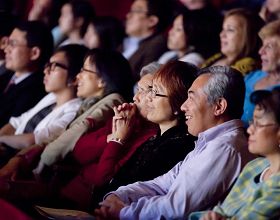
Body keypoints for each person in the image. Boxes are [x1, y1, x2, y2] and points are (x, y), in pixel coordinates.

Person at [95, 66, 253, 220]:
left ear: (219, 106)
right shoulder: (209, 141)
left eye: (191, 98)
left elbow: (176, 208)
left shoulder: (224, 148)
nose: (184, 106)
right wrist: (118, 195)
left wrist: (123, 212)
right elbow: (161, 183)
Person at [0, 49, 134, 182]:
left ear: (102, 81)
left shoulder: (113, 100)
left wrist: (43, 154)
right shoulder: (88, 104)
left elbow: (79, 129)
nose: (78, 76)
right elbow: (56, 136)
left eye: (84, 71)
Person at [190, 87, 280, 220]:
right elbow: (222, 209)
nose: (250, 130)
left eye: (259, 124)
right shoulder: (254, 166)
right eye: (252, 123)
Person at [0, 45, 87, 164]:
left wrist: (2, 139)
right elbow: (17, 122)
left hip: (22, 165)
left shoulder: (75, 111)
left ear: (74, 78)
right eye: (47, 65)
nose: (46, 71)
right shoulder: (51, 97)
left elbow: (34, 140)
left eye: (54, 66)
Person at [0, 20, 53, 127]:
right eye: (7, 42)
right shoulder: (9, 75)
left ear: (34, 53)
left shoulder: (36, 91)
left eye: (13, 44)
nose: (6, 49)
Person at [120, 0, 173, 81]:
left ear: (152, 21)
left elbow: (141, 78)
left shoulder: (157, 44)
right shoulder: (125, 42)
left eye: (135, 11)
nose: (128, 16)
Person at [202, 8, 264, 76]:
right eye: (223, 29)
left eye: (230, 30)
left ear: (248, 36)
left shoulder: (248, 66)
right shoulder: (216, 57)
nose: (222, 34)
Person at [242, 19, 280, 126]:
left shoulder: (278, 95)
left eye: (268, 47)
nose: (260, 51)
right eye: (262, 45)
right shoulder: (252, 76)